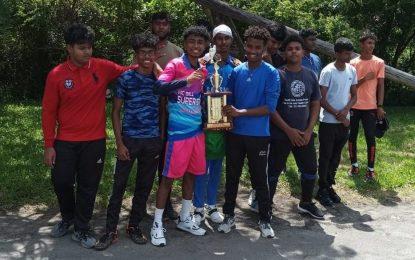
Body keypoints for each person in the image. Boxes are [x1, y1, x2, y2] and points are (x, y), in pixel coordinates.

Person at [42, 23, 130, 248]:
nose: (87, 52)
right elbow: (49, 112)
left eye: (90, 47)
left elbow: (128, 70)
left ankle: (81, 227)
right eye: (82, 47)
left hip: (94, 141)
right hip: (65, 142)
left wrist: (151, 61)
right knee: (61, 182)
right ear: (69, 48)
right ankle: (68, 217)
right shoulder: (56, 75)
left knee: (88, 186)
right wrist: (49, 145)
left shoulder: (102, 67)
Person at [95, 33, 162, 250]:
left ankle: (134, 226)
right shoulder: (126, 79)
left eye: (150, 53)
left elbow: (163, 109)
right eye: (142, 53)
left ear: (155, 55)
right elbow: (115, 112)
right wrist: (120, 143)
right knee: (119, 186)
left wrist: (160, 138)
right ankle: (110, 230)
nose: (146, 57)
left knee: (144, 186)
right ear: (136, 55)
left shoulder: (159, 80)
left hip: (151, 141)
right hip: (129, 141)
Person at [150, 26, 210, 247]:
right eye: (192, 41)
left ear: (205, 47)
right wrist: (185, 80)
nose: (196, 46)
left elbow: (202, 97)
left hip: (197, 132)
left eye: (200, 43)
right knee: (167, 178)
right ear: (185, 44)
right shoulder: (176, 64)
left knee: (192, 175)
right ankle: (157, 224)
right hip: (177, 134)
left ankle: (185, 218)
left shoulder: (205, 68)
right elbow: (159, 86)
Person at [218, 26, 280, 238]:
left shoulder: (271, 73)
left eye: (258, 47)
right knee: (232, 176)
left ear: (264, 49)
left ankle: (264, 220)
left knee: (259, 179)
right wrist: (228, 117)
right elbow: (229, 101)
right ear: (245, 45)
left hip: (259, 135)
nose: (253, 50)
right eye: (250, 46)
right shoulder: (236, 71)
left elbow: (269, 107)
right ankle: (228, 216)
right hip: (235, 134)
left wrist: (239, 113)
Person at [267, 35, 324, 220]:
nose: (293, 51)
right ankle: (266, 205)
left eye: (297, 48)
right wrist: (288, 131)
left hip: (304, 135)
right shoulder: (277, 74)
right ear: (284, 52)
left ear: (303, 51)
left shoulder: (310, 75)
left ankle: (306, 203)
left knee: (309, 170)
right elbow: (271, 108)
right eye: (289, 48)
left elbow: (315, 103)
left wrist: (308, 130)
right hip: (281, 135)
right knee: (273, 171)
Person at [193, 24, 240, 226]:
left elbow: (239, 95)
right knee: (200, 166)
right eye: (218, 38)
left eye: (226, 38)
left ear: (231, 41)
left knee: (216, 166)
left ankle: (211, 205)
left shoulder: (237, 65)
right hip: (202, 123)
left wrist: (232, 117)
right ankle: (197, 207)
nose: (222, 42)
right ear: (213, 41)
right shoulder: (203, 63)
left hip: (224, 125)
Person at [316, 37, 357, 207]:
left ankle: (329, 185)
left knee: (336, 156)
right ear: (337, 53)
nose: (349, 56)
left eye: (350, 53)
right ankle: (321, 189)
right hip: (328, 121)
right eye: (346, 53)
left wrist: (346, 111)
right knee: (325, 156)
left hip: (343, 121)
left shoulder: (352, 70)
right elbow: (321, 99)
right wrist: (337, 114)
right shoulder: (328, 71)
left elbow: (354, 95)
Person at [151, 11, 184, 220]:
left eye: (165, 24)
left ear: (169, 27)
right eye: (158, 23)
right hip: (146, 112)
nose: (161, 27)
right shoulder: (145, 47)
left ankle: (166, 202)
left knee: (165, 158)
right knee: (146, 158)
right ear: (152, 26)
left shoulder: (178, 51)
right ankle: (141, 200)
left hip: (170, 112)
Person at [348, 30, 385, 181]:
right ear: (362, 44)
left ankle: (370, 169)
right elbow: (350, 87)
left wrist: (380, 105)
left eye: (373, 43)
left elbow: (381, 85)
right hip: (353, 106)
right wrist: (364, 79)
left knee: (371, 137)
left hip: (370, 107)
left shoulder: (379, 62)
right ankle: (354, 165)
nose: (372, 46)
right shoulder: (352, 63)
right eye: (369, 42)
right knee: (352, 137)